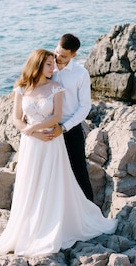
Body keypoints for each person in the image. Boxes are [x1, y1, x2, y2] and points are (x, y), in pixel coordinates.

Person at [0, 49, 117, 256]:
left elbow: (56, 117)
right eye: (49, 64)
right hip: (32, 143)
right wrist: (31, 132)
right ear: (37, 65)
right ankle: (29, 227)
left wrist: (33, 129)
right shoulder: (21, 88)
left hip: (51, 141)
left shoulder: (56, 87)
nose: (53, 67)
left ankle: (53, 224)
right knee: (31, 182)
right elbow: (16, 118)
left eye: (52, 63)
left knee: (52, 181)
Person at [49, 34, 94, 201]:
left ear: (73, 55)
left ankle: (91, 212)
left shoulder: (81, 74)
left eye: (63, 56)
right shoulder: (47, 66)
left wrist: (65, 127)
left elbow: (85, 106)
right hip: (48, 128)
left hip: (71, 129)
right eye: (57, 52)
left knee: (79, 172)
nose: (58, 58)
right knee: (53, 174)